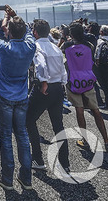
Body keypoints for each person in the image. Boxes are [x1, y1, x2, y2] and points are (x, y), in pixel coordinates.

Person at [0, 5, 36, 192]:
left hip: (3, 94)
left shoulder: (5, 47)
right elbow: (28, 30)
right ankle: (26, 178)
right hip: (21, 95)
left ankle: (7, 177)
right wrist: (15, 16)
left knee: (5, 136)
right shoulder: (30, 45)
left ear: (8, 32)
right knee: (22, 135)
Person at [62, 23, 108, 154]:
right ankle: (107, 141)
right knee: (96, 111)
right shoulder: (89, 45)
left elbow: (62, 54)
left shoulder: (67, 46)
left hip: (74, 80)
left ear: (71, 34)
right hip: (88, 79)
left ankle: (85, 140)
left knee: (79, 111)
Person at [27, 19, 69, 173]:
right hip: (58, 87)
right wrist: (62, 84)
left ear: (35, 32)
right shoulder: (55, 47)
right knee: (58, 125)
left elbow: (41, 65)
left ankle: (37, 158)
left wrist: (43, 81)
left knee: (29, 120)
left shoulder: (37, 46)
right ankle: (65, 163)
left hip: (44, 87)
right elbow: (63, 69)